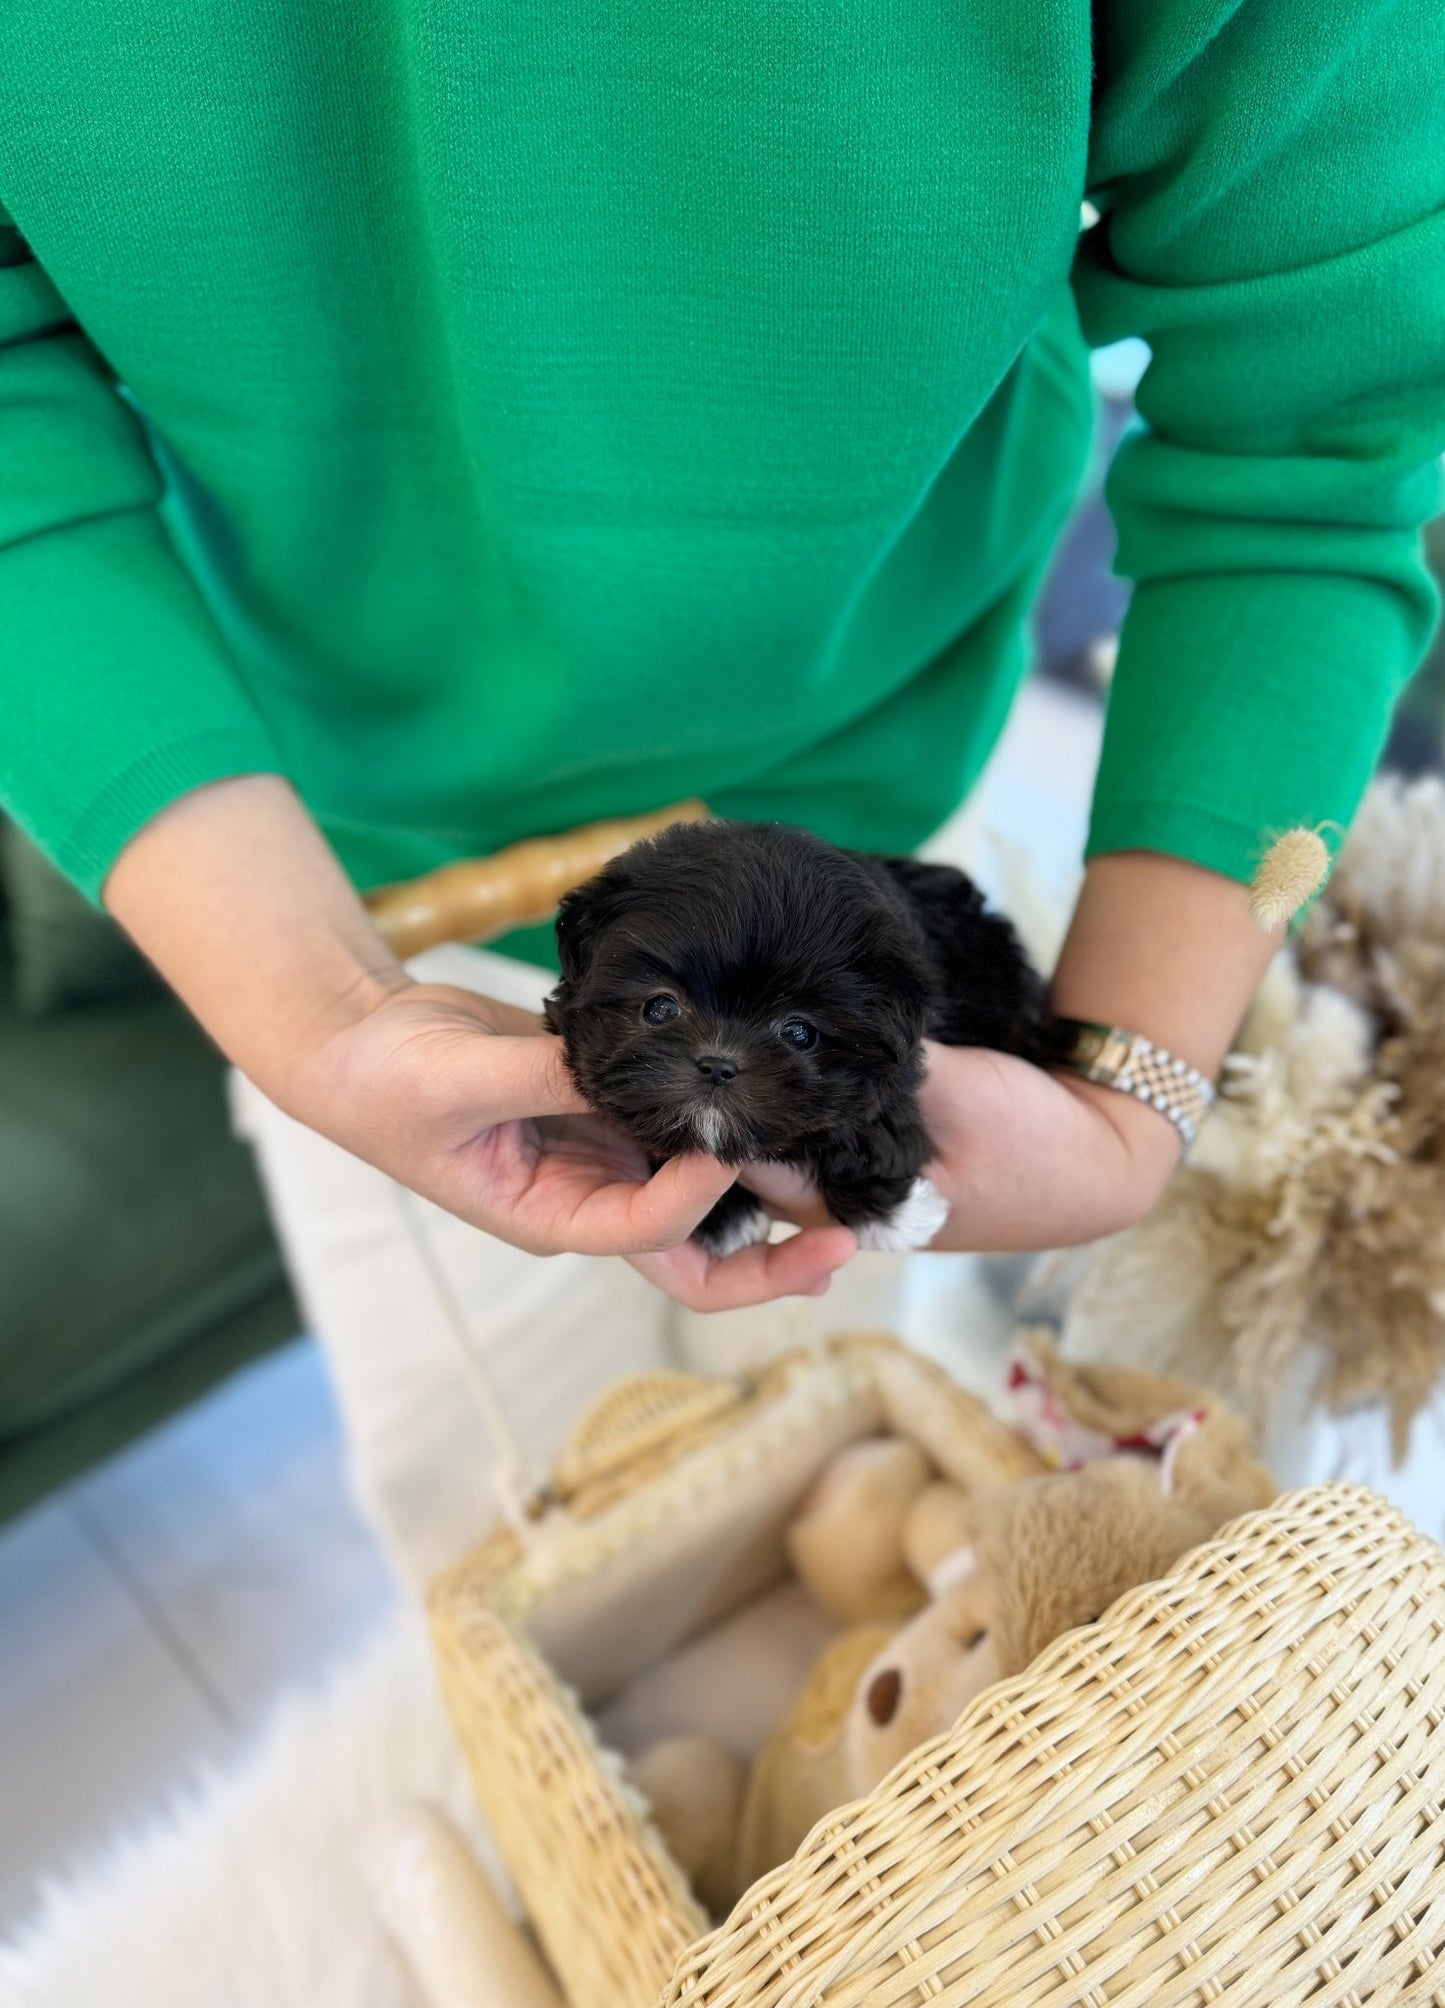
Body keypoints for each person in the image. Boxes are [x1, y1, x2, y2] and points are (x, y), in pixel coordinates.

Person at [3, 3, 1441, 1577]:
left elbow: (1316, 431)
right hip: (324, 873)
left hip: (867, 812)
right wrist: (308, 1005)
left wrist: (1130, 1095)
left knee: (836, 1472)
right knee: (501, 1546)